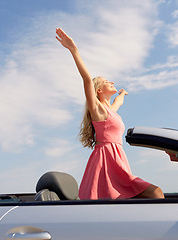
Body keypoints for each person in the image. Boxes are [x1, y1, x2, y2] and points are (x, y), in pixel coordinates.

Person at [55, 28, 164, 199]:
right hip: (106, 161)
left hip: (117, 161)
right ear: (98, 90)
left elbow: (117, 103)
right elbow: (86, 79)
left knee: (135, 199)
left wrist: (122, 94)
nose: (111, 81)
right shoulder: (97, 110)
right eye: (107, 81)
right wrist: (73, 49)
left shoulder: (109, 111)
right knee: (155, 193)